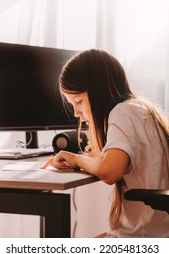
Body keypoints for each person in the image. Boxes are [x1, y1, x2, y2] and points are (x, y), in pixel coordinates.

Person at [42, 49, 169, 237]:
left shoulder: (122, 112)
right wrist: (102, 156)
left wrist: (75, 159)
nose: (76, 113)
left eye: (78, 101)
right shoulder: (141, 109)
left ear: (98, 91)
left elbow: (110, 171)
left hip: (140, 237)